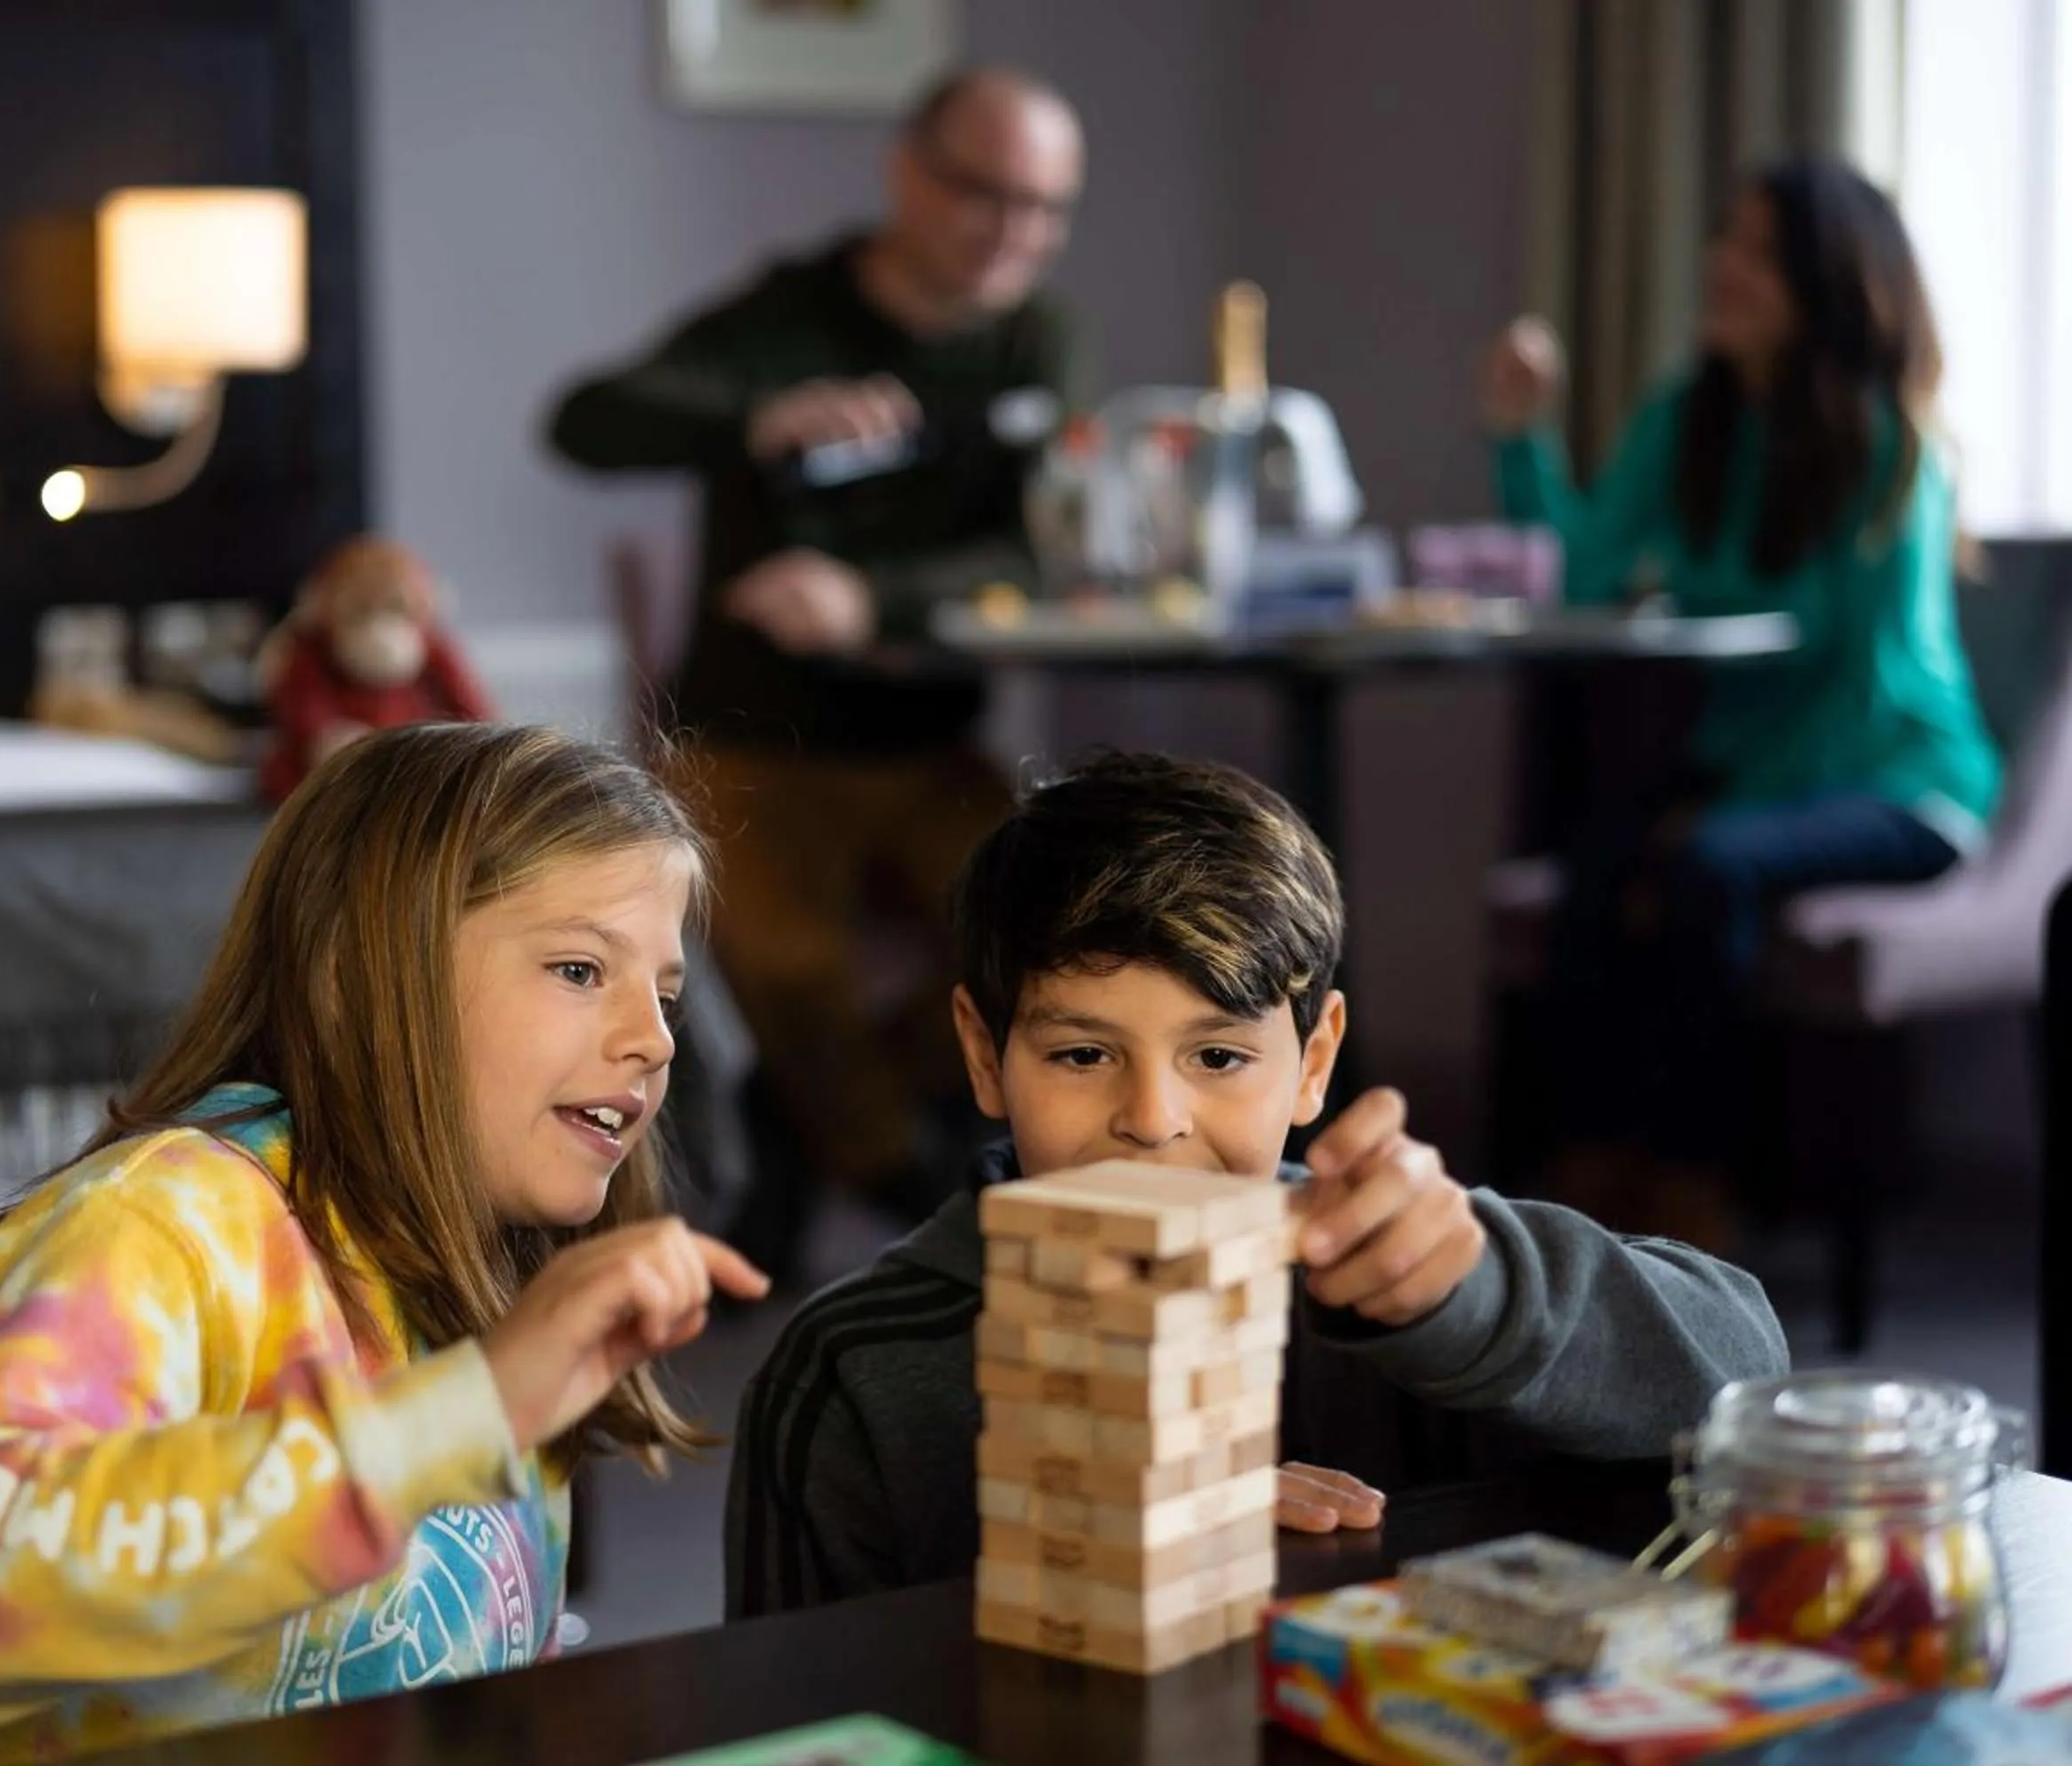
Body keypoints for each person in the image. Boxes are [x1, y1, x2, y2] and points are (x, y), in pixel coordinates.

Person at [0, 724, 767, 1762]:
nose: (655, 1039)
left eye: (665, 994)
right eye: (578, 968)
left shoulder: (492, 1279)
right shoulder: (160, 1226)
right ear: (365, 971)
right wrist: (471, 1408)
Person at [723, 752, 1788, 1616]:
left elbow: (1745, 1381)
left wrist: (1483, 1297)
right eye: (1082, 1055)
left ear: (1315, 1059)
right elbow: (792, 1723)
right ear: (983, 1053)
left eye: (1219, 1057)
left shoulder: (1406, 1280)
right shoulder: (852, 1372)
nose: (1152, 1118)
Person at [545, 66, 1089, 1274]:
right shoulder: (790, 316)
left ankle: (831, 1134)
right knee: (783, 966)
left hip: (925, 749)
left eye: (1046, 209)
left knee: (1054, 932)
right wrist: (757, 416)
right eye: (986, 195)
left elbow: (1041, 546)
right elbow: (585, 421)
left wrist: (871, 602)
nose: (1015, 234)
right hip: (750, 743)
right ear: (908, 175)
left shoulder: (1030, 341)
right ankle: (922, 1194)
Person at [1480, 155, 2000, 1242]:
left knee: (1708, 867)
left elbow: (1877, 680)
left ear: (1828, 280)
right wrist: (1521, 438)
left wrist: (1715, 811)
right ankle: (1591, 1166)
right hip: (1755, 771)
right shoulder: (1689, 419)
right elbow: (1584, 573)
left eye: (1761, 251)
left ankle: (1692, 1182)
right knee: (1598, 862)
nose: (1722, 265)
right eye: (1728, 241)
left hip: (1901, 780)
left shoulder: (1886, 443)